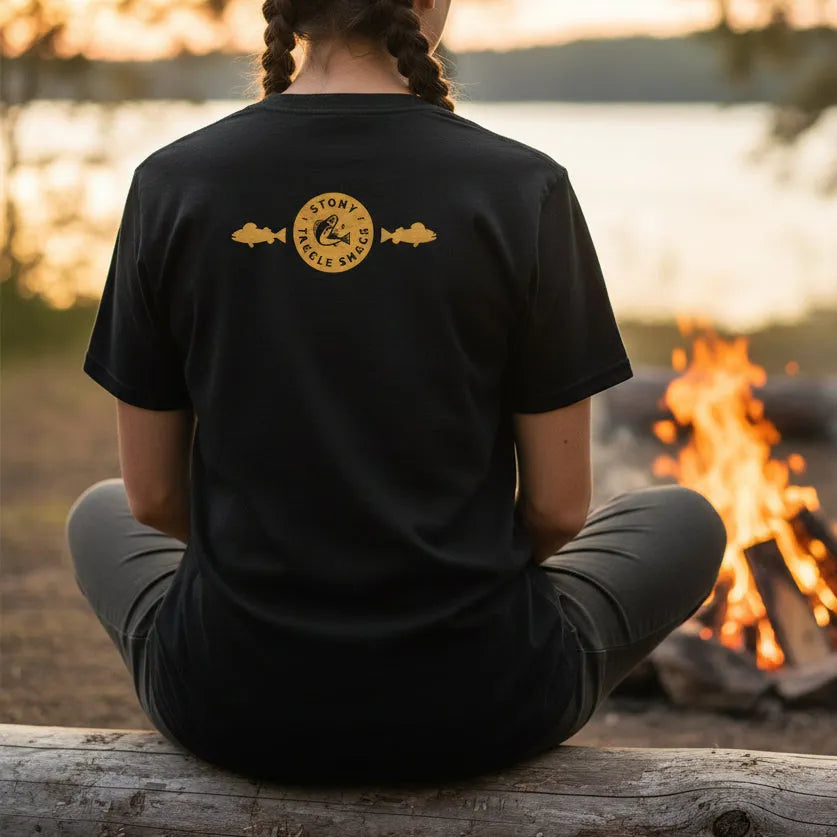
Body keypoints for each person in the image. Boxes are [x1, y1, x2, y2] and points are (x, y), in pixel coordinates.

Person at [65, 0, 727, 784]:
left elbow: (152, 498)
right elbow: (555, 510)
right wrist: (441, 580)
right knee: (682, 517)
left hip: (230, 701)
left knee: (100, 509)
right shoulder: (525, 186)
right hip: (481, 701)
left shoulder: (171, 182)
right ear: (427, 4)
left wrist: (282, 568)